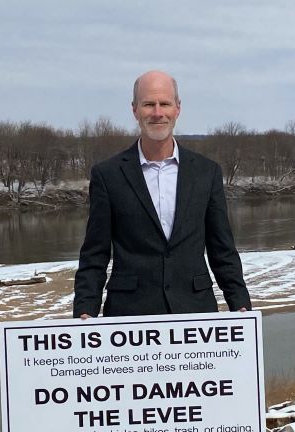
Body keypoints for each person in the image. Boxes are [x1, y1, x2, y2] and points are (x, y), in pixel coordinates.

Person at [73, 70, 250, 318]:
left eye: (164, 104)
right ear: (135, 109)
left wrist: (240, 303)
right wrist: (85, 309)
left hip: (195, 315)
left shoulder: (207, 173)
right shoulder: (108, 175)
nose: (157, 113)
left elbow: (222, 250)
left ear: (177, 108)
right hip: (130, 318)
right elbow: (95, 253)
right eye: (148, 104)